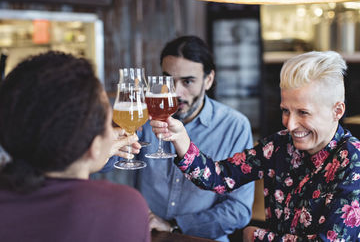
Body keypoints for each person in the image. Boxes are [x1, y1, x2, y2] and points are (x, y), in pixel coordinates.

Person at [150, 51, 360, 241]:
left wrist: (257, 236)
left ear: (337, 111)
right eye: (286, 110)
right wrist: (180, 139)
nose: (290, 124)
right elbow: (219, 177)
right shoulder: (278, 145)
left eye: (303, 112)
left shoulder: (354, 161)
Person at [0, 51, 150, 242]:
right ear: (93, 145)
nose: (112, 132)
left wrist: (87, 156)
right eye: (109, 125)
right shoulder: (123, 207)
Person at [136, 36, 255, 241]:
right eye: (168, 80)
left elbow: (238, 210)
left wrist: (174, 226)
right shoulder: (143, 118)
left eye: (187, 81)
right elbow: (109, 164)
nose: (175, 92)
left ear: (208, 80)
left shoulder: (234, 126)